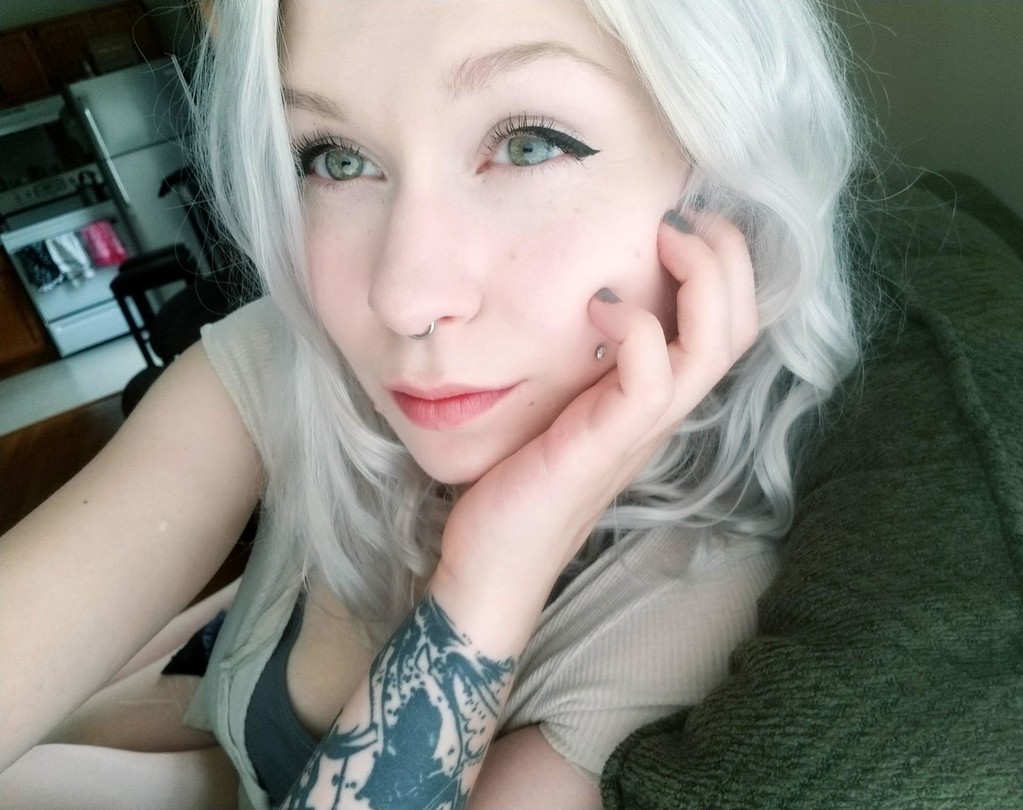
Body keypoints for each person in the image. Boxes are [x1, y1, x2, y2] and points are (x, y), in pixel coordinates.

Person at [0, 0, 868, 807]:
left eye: (529, 144)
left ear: (722, 173)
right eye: (336, 159)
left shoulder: (686, 610)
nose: (403, 296)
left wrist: (490, 578)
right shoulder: (288, 361)